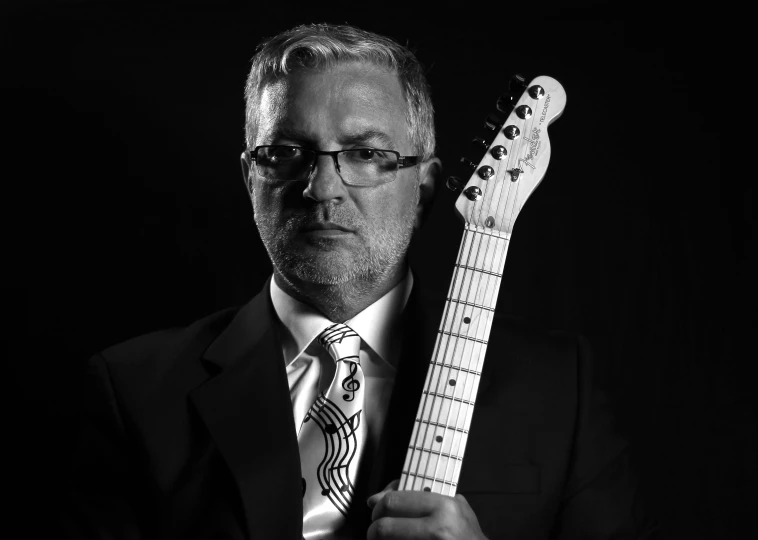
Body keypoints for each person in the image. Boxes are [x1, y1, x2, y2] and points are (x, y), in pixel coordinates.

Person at [60, 23, 657, 540]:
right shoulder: (134, 392)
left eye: (367, 154)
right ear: (250, 179)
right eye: (284, 152)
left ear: (423, 187)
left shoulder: (556, 391)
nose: (322, 189)